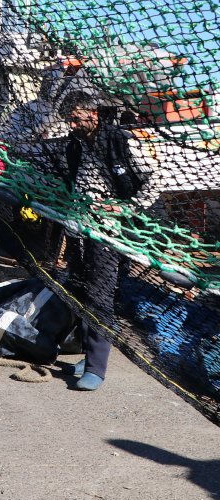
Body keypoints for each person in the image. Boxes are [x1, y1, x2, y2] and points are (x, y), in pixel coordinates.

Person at [60, 92, 154, 391]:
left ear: (94, 114)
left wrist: (127, 208)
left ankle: (96, 367)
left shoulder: (121, 140)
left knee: (100, 294)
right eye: (69, 120)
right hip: (80, 226)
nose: (72, 124)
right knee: (78, 287)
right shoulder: (75, 145)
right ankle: (89, 353)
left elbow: (154, 180)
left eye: (76, 118)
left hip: (111, 230)